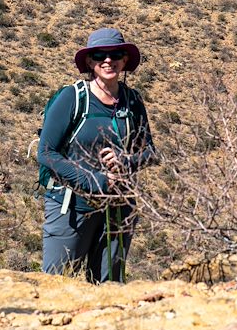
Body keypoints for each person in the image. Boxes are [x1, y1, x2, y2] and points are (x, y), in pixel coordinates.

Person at [37, 27, 156, 282]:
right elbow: (46, 153)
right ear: (90, 62)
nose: (108, 60)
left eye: (115, 54)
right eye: (100, 55)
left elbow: (150, 152)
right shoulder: (72, 98)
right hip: (70, 209)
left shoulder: (132, 101)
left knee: (109, 287)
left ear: (125, 60)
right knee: (56, 285)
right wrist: (95, 181)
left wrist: (126, 162)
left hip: (118, 209)